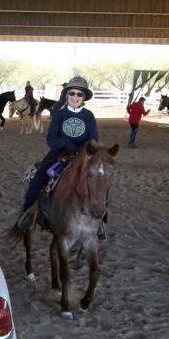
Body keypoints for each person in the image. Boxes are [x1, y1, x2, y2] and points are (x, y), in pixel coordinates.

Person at [19, 76, 102, 238]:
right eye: (72, 93)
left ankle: (101, 223)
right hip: (59, 154)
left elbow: (94, 139)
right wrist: (65, 144)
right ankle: (27, 212)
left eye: (79, 94)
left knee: (100, 181)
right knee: (41, 175)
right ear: (67, 95)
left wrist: (84, 148)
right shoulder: (59, 114)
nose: (75, 97)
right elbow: (51, 138)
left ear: (84, 97)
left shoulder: (89, 116)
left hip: (83, 155)